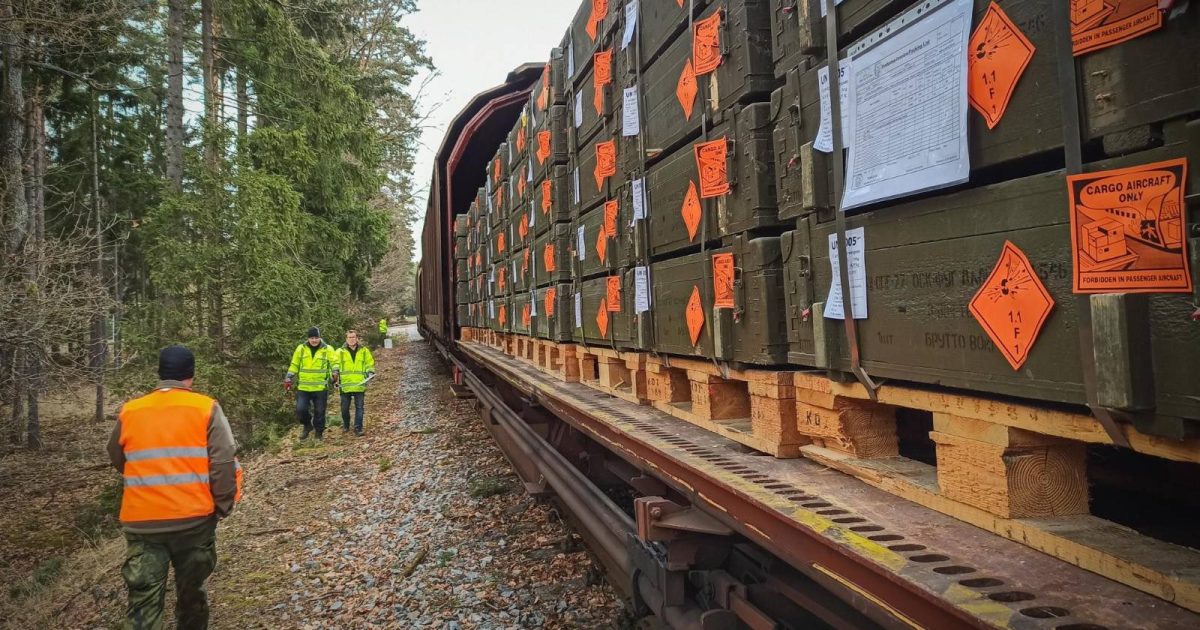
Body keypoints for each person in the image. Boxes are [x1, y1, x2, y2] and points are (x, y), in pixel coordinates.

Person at [107, 345, 243, 630]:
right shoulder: (206, 408)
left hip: (142, 525)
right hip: (193, 521)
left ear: (160, 374)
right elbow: (223, 463)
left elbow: (118, 458)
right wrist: (222, 505)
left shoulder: (130, 411)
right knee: (192, 595)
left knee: (143, 603)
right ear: (190, 375)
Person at [284, 327, 339, 440]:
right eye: (312, 338)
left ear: (320, 337)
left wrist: (335, 372)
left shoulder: (328, 349)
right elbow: (295, 364)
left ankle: (319, 433)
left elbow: (334, 362)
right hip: (304, 387)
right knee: (300, 410)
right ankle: (307, 425)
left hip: (320, 387)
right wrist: (289, 376)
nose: (314, 340)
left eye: (316, 338)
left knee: (319, 412)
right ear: (308, 338)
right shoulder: (301, 349)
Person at [336, 330, 376, 436]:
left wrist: (370, 371)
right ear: (346, 339)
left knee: (359, 407)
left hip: (359, 384)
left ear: (357, 338)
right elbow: (335, 364)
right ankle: (346, 425)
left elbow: (369, 363)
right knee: (344, 408)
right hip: (345, 385)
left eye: (353, 337)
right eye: (350, 337)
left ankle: (358, 428)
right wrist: (335, 372)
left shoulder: (364, 351)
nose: (352, 339)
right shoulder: (340, 352)